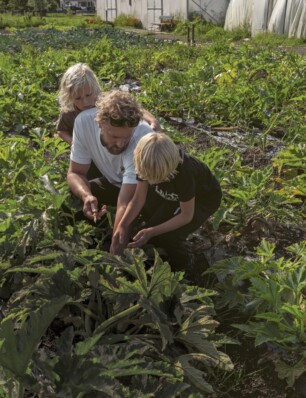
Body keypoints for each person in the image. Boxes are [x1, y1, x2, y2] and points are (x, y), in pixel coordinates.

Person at [111, 132, 222, 269]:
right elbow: (138, 200)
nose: (151, 181)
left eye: (157, 178)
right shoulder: (145, 163)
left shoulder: (185, 174)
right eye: (149, 177)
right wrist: (122, 225)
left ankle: (186, 262)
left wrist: (152, 231)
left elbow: (186, 216)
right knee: (150, 226)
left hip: (202, 200)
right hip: (172, 196)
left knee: (169, 237)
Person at [67, 90, 154, 244]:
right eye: (114, 136)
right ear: (100, 123)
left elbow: (127, 201)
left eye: (126, 137)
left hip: (148, 190)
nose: (121, 144)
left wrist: (116, 251)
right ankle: (96, 235)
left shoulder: (142, 136)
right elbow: (75, 172)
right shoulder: (83, 122)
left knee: (157, 238)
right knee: (74, 199)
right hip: (116, 184)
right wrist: (86, 195)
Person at [56, 63, 159, 146]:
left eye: (88, 95)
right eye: (78, 98)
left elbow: (133, 108)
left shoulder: (104, 101)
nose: (85, 102)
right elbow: (61, 131)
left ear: (95, 89)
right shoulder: (69, 112)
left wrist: (152, 120)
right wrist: (74, 143)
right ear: (69, 97)